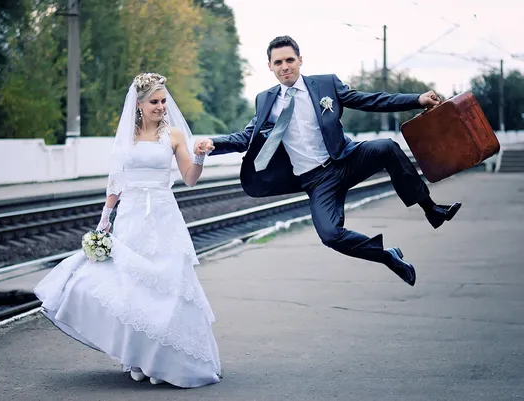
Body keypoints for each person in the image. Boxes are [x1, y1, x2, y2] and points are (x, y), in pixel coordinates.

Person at [194, 35, 461, 287]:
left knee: (387, 148)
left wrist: (416, 99)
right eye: (278, 62)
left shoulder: (325, 84)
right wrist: (213, 144)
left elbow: (368, 100)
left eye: (289, 60)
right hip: (316, 180)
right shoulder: (266, 100)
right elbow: (246, 137)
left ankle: (431, 209)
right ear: (270, 66)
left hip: (345, 160)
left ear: (300, 60)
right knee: (331, 235)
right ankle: (388, 256)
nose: (285, 67)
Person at [34, 72, 221, 388]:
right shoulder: (127, 136)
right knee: (131, 288)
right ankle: (136, 357)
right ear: (140, 104)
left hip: (164, 215)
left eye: (163, 101)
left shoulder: (174, 135)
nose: (161, 107)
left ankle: (164, 361)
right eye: (154, 102)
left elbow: (189, 178)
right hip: (132, 215)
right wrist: (106, 216)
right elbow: (116, 179)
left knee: (169, 287)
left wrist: (200, 156)